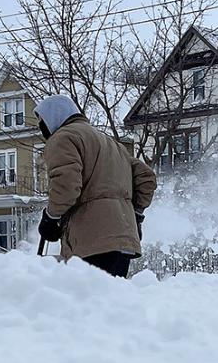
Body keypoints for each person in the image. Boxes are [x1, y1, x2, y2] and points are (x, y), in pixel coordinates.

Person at [35, 94, 156, 277]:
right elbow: (146, 177)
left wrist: (51, 218)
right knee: (110, 301)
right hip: (124, 240)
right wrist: (136, 215)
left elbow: (66, 185)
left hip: (92, 240)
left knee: (88, 301)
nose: (41, 127)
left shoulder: (63, 138)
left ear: (53, 117)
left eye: (41, 121)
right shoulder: (111, 143)